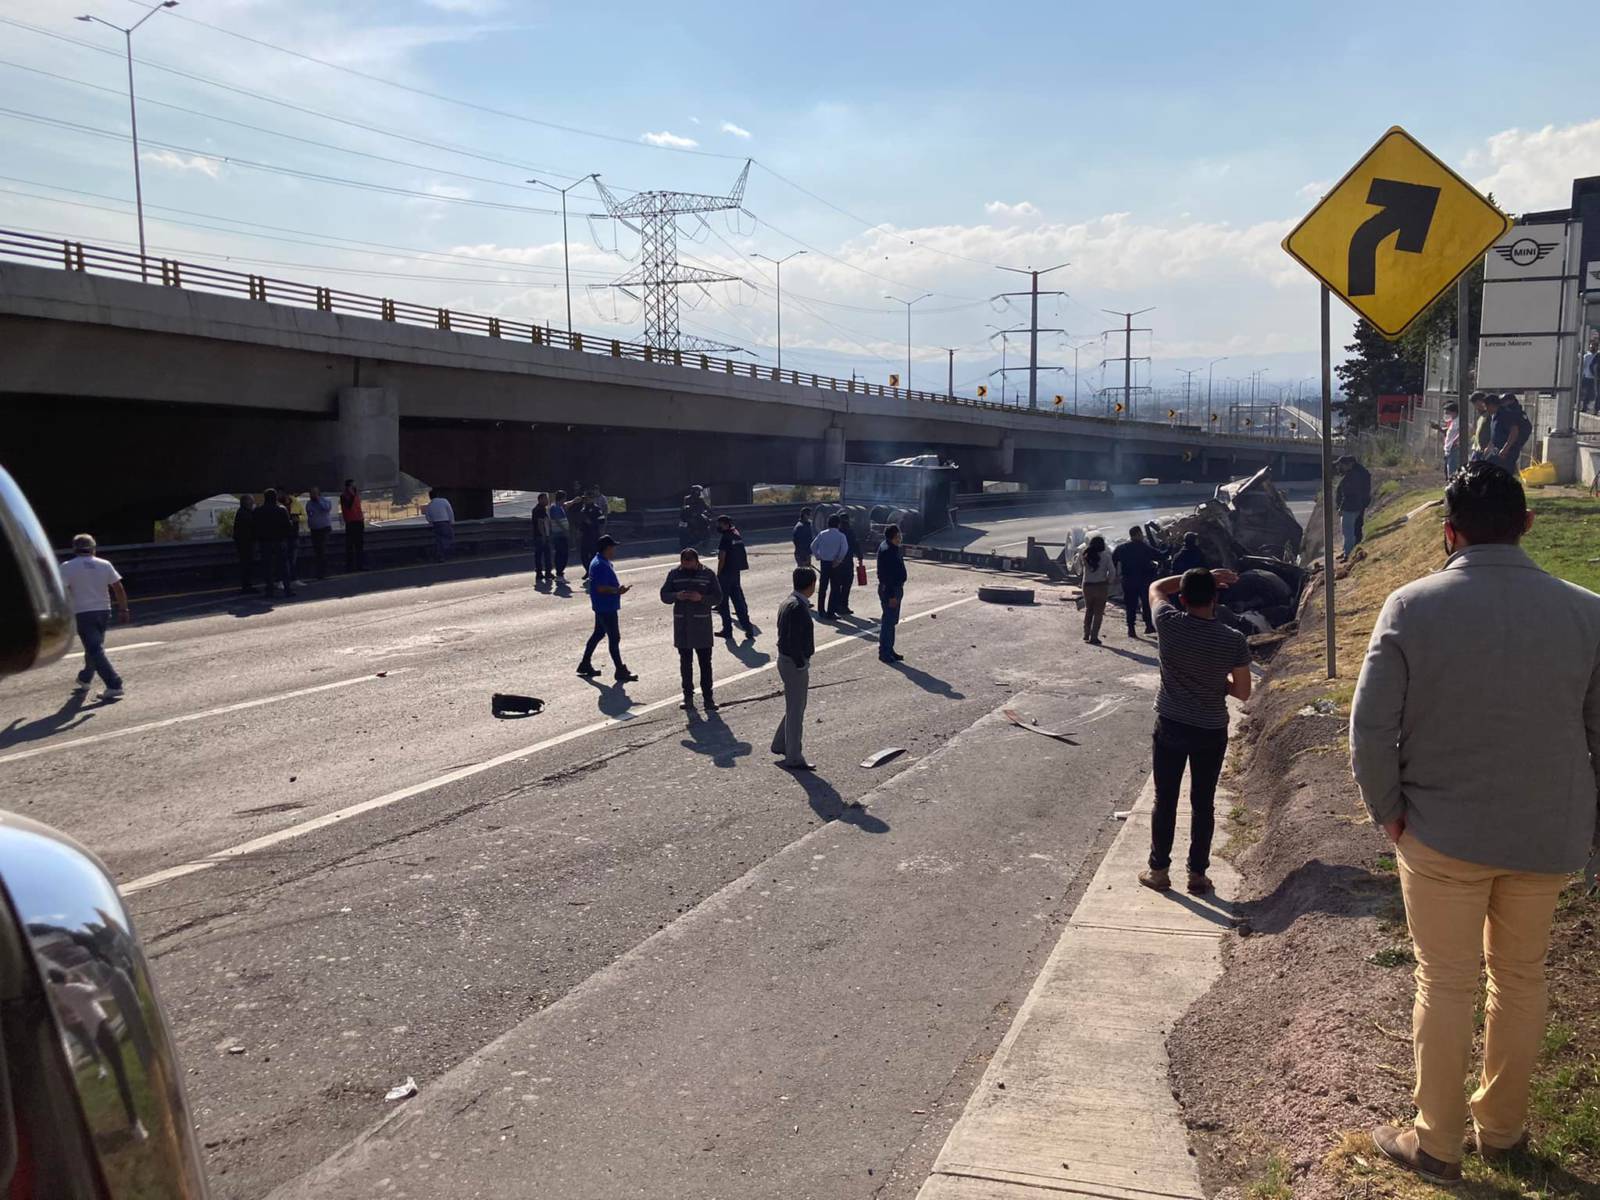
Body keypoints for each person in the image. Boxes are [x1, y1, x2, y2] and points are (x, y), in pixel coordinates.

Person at [1351, 463, 1600, 1185]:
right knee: (1521, 978)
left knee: (1445, 981)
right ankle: (1503, 1131)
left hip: (1439, 831)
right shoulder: (1587, 613)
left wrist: (1388, 813)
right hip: (1546, 834)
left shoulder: (1409, 607)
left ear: (1448, 531)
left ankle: (1436, 1144)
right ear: (1528, 524)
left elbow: (1371, 732)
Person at [1139, 567, 1251, 896]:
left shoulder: (1168, 624)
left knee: (1166, 799)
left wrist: (1205, 575)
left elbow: (1156, 586)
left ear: (1183, 599)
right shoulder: (1233, 640)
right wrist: (1216, 680)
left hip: (1171, 725)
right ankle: (1198, 875)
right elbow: (1243, 692)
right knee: (1203, 804)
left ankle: (1159, 871)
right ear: (1216, 599)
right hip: (1210, 729)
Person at [60, 533, 130, 700]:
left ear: (75, 548)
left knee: (94, 649)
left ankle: (114, 684)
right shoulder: (104, 564)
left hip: (82, 612)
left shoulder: (67, 566)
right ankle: (85, 678)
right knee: (94, 647)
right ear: (93, 548)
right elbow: (118, 587)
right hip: (104, 611)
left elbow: (61, 592)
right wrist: (124, 609)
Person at [660, 547, 722, 709]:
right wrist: (676, 596)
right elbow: (664, 595)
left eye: (690, 563)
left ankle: (708, 698)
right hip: (683, 626)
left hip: (702, 626)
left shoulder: (707, 574)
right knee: (685, 663)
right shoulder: (674, 574)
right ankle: (688, 696)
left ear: (696, 561)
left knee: (705, 663)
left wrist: (701, 598)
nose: (686, 567)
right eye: (684, 563)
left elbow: (718, 597)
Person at [772, 566, 817, 770]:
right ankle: (794, 756)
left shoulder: (789, 601)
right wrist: (801, 662)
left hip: (785, 659)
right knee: (797, 709)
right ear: (811, 585)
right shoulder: (798, 607)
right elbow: (793, 639)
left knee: (795, 705)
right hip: (793, 662)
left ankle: (781, 743)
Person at [577, 535, 637, 682]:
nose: (614, 550)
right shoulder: (600, 565)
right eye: (612, 547)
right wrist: (618, 591)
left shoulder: (602, 561)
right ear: (607, 548)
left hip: (603, 606)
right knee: (614, 637)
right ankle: (620, 670)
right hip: (606, 607)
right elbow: (601, 588)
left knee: (598, 634)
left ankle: (585, 663)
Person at [1112, 526, 1163, 637]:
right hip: (1144, 580)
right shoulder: (1144, 547)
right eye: (1141, 533)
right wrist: (1169, 547)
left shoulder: (1122, 548)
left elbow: (1113, 559)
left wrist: (1115, 574)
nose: (1142, 536)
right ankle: (1148, 626)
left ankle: (1131, 629)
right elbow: (1160, 555)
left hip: (1128, 580)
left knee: (1130, 604)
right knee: (1146, 603)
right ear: (1137, 534)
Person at [713, 515, 753, 637]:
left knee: (723, 603)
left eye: (720, 524)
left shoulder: (726, 537)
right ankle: (748, 627)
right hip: (735, 573)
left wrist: (718, 574)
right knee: (738, 601)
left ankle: (727, 630)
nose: (718, 527)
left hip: (725, 574)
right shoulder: (736, 534)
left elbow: (722, 558)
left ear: (725, 524)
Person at [1074, 534, 1116, 646]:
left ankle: (1086, 633)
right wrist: (1109, 581)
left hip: (1087, 586)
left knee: (1089, 610)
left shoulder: (1085, 555)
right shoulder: (1106, 556)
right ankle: (1094, 636)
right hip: (1101, 586)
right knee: (1098, 613)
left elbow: (1077, 568)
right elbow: (1112, 572)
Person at [254, 488, 295, 599]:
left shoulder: (258, 511)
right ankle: (287, 589)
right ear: (275, 497)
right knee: (283, 567)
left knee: (267, 567)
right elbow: (288, 527)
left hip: (265, 542)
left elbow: (255, 527)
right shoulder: (281, 510)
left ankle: (270, 590)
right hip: (279, 541)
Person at [876, 523, 907, 663]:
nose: (900, 538)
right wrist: (892, 596)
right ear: (892, 537)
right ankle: (884, 652)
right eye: (898, 536)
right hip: (890, 590)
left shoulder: (890, 547)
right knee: (888, 622)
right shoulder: (888, 551)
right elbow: (885, 576)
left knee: (891, 622)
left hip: (894, 588)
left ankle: (889, 649)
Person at [810, 514, 850, 619]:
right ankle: (830, 612)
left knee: (823, 587)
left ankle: (821, 610)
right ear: (838, 524)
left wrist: (818, 556)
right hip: (835, 564)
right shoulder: (841, 536)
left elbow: (813, 546)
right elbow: (844, 549)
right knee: (835, 588)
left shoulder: (822, 534)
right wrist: (838, 560)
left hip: (824, 562)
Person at [1485, 392, 1534, 472]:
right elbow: (1495, 434)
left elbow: (1514, 432)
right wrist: (1490, 446)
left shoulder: (1507, 414)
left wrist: (1505, 450)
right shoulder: (1496, 415)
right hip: (1498, 451)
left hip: (1507, 451)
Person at [1334, 455, 1373, 558]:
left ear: (1349, 464)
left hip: (1350, 507)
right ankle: (1348, 550)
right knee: (1351, 530)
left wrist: (1341, 507)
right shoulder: (1357, 473)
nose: (1339, 467)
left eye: (1341, 465)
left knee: (1349, 531)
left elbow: (1348, 494)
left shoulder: (1353, 476)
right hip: (1357, 505)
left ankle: (1348, 553)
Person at [834, 511, 865, 616]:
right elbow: (856, 545)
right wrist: (860, 557)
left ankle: (837, 605)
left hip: (837, 562)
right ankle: (843, 605)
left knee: (837, 585)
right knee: (846, 585)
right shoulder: (850, 532)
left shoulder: (836, 532)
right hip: (846, 562)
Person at [305, 486, 333, 580]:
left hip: (324, 528)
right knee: (317, 550)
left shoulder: (325, 501)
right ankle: (319, 572)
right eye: (311, 493)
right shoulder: (309, 503)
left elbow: (326, 509)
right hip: (314, 529)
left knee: (322, 549)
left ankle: (323, 572)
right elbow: (309, 513)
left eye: (314, 493)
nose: (312, 495)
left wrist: (318, 501)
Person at [232, 493, 257, 593]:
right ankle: (247, 586)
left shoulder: (242, 512)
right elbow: (251, 526)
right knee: (246, 565)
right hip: (246, 544)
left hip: (244, 543)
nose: (253, 503)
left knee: (246, 565)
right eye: (251, 501)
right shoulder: (244, 514)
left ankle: (247, 585)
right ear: (246, 502)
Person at [422, 489, 455, 561]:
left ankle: (441, 556)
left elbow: (427, 516)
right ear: (438, 495)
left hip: (436, 524)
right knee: (450, 537)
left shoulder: (429, 505)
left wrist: (431, 523)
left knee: (439, 541)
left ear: (430, 497)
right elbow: (450, 511)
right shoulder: (444, 501)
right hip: (445, 522)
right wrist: (452, 521)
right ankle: (448, 554)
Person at [340, 479, 365, 572]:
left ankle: (360, 565)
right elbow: (349, 506)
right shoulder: (344, 496)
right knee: (350, 545)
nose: (354, 488)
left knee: (359, 545)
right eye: (352, 486)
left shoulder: (356, 495)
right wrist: (352, 495)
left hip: (358, 520)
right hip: (350, 522)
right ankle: (350, 567)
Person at [576, 491, 602, 579]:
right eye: (584, 498)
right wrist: (579, 531)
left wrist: (591, 522)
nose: (585, 500)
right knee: (583, 555)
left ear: (592, 499)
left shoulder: (596, 509)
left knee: (593, 554)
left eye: (587, 498)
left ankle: (593, 572)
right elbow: (580, 523)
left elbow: (601, 521)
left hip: (594, 534)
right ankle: (588, 570)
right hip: (585, 535)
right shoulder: (583, 510)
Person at [280, 487, 303, 585]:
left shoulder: (296, 502)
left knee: (293, 558)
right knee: (282, 559)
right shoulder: (278, 505)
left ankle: (294, 579)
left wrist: (298, 518)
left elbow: (304, 515)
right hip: (283, 535)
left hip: (294, 534)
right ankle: (281, 580)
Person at [531, 493, 553, 584]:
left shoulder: (542, 509)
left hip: (541, 535)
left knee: (542, 554)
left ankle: (544, 572)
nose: (547, 501)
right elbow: (540, 524)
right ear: (540, 500)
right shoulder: (539, 510)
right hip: (541, 536)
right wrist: (544, 535)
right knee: (544, 555)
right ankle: (544, 572)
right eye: (545, 499)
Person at [680, 485, 711, 552]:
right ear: (695, 492)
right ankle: (699, 539)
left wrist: (707, 510)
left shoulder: (687, 498)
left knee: (704, 522)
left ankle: (700, 539)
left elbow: (705, 507)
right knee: (705, 522)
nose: (699, 493)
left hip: (690, 517)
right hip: (693, 516)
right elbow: (705, 507)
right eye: (699, 491)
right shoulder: (698, 499)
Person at [549, 490, 572, 581]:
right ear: (562, 498)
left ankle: (560, 572)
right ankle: (559, 573)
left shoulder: (559, 506)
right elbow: (558, 521)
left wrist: (574, 501)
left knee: (564, 553)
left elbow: (566, 504)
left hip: (561, 534)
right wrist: (565, 530)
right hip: (559, 534)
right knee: (561, 554)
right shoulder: (555, 508)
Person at [1581, 331, 1598, 416]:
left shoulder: (1596, 356)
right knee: (1586, 393)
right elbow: (1583, 366)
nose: (1593, 348)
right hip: (1587, 376)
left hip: (1593, 377)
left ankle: (1590, 407)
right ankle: (1584, 406)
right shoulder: (1586, 356)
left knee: (1593, 393)